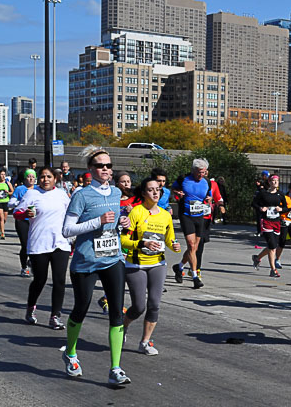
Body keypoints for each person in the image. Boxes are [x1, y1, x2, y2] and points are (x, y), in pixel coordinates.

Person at [61, 148, 132, 386]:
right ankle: (70, 353)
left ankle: (116, 368)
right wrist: (96, 222)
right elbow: (67, 230)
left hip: (112, 258)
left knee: (117, 312)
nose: (106, 169)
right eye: (101, 165)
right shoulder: (81, 195)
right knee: (81, 307)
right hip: (86, 260)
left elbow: (113, 224)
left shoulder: (115, 192)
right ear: (91, 170)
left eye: (109, 166)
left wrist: (122, 222)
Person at [122, 177, 181, 356]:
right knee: (139, 306)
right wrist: (142, 244)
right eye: (151, 189)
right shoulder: (136, 213)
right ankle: (123, 327)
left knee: (154, 304)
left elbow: (169, 239)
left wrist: (175, 245)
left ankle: (145, 342)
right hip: (136, 264)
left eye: (158, 189)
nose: (155, 192)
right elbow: (124, 240)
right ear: (143, 193)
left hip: (158, 264)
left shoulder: (165, 215)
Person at [14, 167, 71, 329]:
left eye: (49, 177)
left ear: (55, 179)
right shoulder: (32, 193)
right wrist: (26, 214)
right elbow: (17, 213)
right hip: (39, 242)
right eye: (42, 177)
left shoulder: (61, 194)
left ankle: (55, 316)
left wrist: (73, 238)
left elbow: (71, 214)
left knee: (59, 280)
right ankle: (31, 307)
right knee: (40, 279)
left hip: (60, 242)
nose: (45, 179)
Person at [172, 158, 219, 289]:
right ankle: (194, 276)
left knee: (194, 248)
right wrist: (177, 193)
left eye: (203, 172)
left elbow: (209, 196)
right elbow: (173, 189)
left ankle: (179, 266)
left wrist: (209, 199)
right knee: (191, 245)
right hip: (186, 215)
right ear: (193, 170)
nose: (201, 175)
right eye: (199, 172)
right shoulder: (184, 179)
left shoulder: (207, 182)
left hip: (200, 216)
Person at [251, 174, 287, 277]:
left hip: (276, 221)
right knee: (272, 246)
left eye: (277, 181)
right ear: (269, 182)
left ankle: (257, 258)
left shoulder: (280, 194)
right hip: (266, 221)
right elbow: (254, 204)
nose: (275, 182)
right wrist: (261, 208)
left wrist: (281, 209)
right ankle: (273, 270)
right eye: (273, 181)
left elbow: (285, 207)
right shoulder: (263, 193)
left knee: (273, 245)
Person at [9, 169, 37, 276]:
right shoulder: (20, 189)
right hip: (22, 220)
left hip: (35, 220)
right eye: (28, 176)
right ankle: (24, 267)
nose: (31, 179)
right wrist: (21, 203)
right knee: (25, 244)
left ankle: (32, 262)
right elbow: (10, 203)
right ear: (25, 178)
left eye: (33, 177)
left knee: (35, 244)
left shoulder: (38, 189)